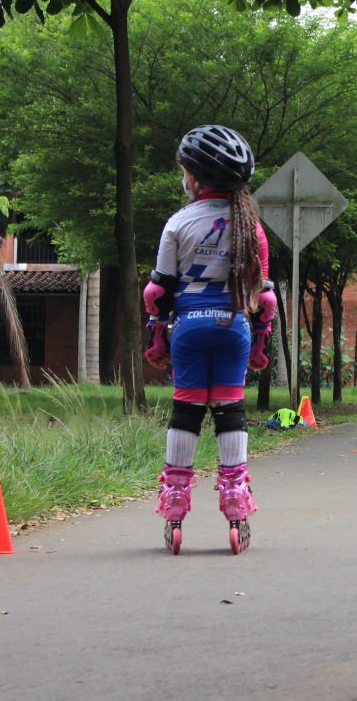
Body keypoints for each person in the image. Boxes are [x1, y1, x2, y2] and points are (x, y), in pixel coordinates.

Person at [143, 124, 271, 556]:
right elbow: (265, 299)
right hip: (234, 327)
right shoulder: (251, 228)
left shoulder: (178, 222)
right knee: (230, 410)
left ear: (194, 178)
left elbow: (156, 292)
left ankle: (175, 507)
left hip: (190, 328)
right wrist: (260, 341)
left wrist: (157, 335)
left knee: (187, 410)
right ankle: (236, 506)